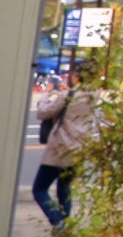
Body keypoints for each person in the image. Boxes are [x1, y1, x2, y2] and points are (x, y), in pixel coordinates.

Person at [33, 68, 99, 228]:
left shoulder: (67, 96)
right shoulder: (93, 96)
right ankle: (65, 226)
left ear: (76, 77)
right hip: (78, 150)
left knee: (39, 189)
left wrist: (48, 95)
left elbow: (43, 112)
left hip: (60, 149)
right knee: (64, 188)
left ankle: (57, 220)